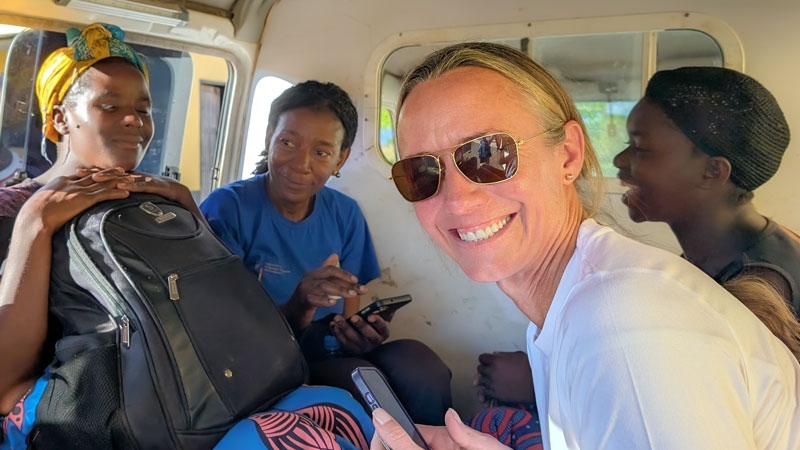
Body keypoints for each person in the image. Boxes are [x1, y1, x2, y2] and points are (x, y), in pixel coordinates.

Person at [370, 42, 800, 450]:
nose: (457, 199)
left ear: (569, 156)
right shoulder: (577, 307)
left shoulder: (623, 322)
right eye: (421, 173)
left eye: (489, 154)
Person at [0, 24, 373, 450]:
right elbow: (5, 384)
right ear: (59, 118)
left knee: (341, 411)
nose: (133, 121)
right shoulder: (15, 210)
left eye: (144, 110)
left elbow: (222, 313)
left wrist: (189, 213)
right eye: (109, 105)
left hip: (192, 395)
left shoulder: (157, 201)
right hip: (101, 412)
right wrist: (36, 223)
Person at [474, 65, 800, 411]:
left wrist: (538, 378)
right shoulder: (739, 248)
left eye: (641, 149)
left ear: (712, 171)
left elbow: (689, 410)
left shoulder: (760, 286)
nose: (619, 160)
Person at [200, 80, 452, 425]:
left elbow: (347, 316)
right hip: (261, 355)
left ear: (341, 158)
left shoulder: (345, 213)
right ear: (269, 137)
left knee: (421, 366)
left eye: (320, 152)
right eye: (288, 142)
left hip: (326, 344)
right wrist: (300, 304)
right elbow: (224, 330)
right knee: (362, 380)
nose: (301, 163)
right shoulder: (228, 208)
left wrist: (358, 335)